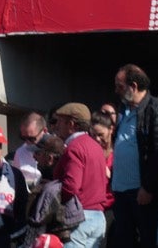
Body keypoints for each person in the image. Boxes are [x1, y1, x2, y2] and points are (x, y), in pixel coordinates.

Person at [110, 64, 158, 248]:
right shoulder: (124, 109)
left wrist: (148, 187)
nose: (116, 91)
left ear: (133, 86)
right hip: (122, 192)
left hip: (141, 193)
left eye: (120, 86)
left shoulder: (156, 109)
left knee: (147, 239)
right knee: (124, 240)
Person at [52, 102, 109, 248]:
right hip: (98, 218)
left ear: (71, 124)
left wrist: (55, 201)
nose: (56, 125)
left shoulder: (75, 147)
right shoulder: (95, 146)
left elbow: (71, 186)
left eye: (59, 121)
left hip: (80, 218)